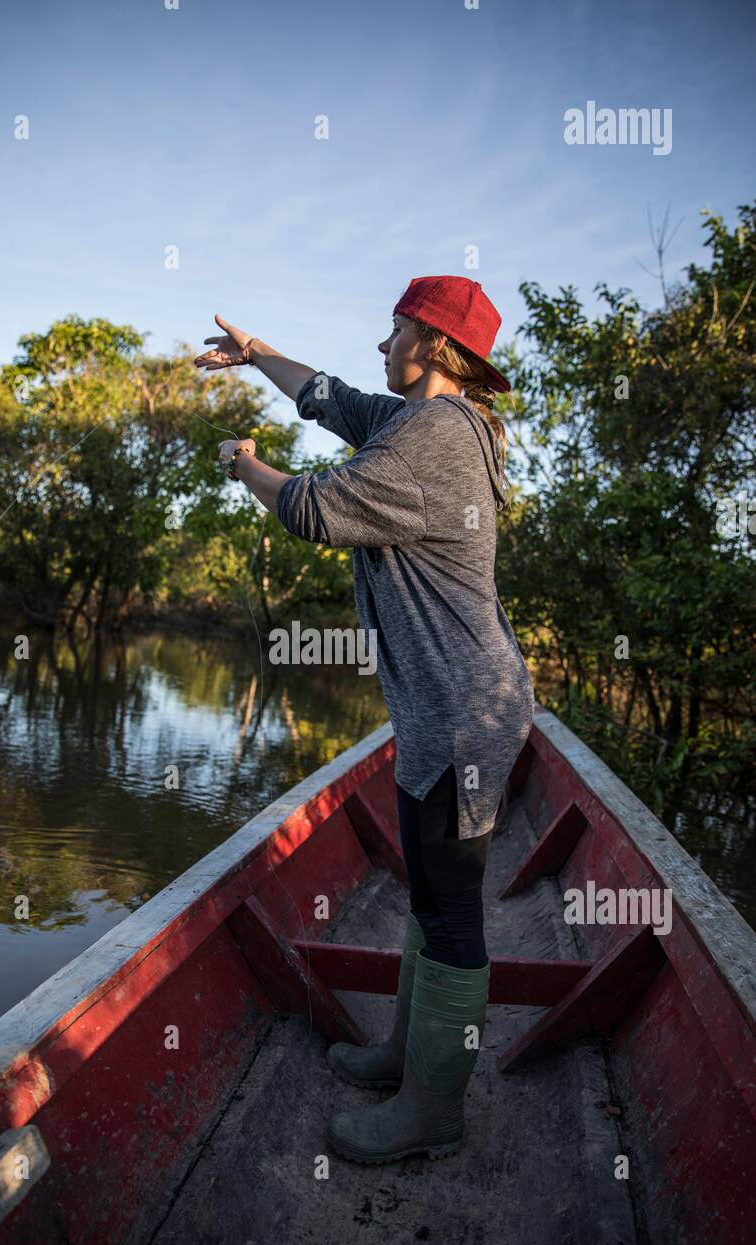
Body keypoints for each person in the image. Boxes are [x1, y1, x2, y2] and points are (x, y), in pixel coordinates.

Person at [194, 276, 535, 1164]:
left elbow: (310, 507)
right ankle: (403, 1056)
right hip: (446, 705)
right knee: (430, 890)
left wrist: (242, 464)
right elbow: (330, 399)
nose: (380, 346)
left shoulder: (430, 437)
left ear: (427, 343)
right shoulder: (427, 422)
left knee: (454, 912)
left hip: (465, 711)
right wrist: (256, 352)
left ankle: (434, 1106)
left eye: (392, 333)